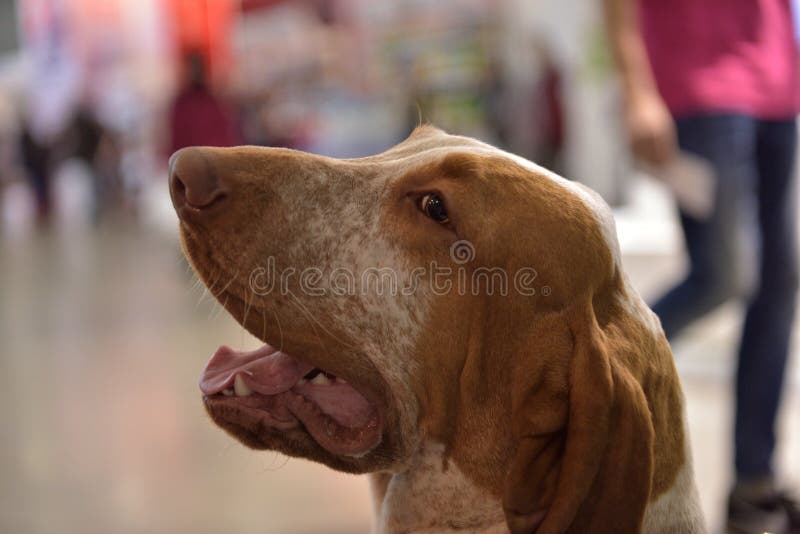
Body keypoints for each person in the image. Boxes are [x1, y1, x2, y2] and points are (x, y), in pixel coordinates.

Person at [603, 0, 800, 532]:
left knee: (778, 287)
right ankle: (592, 368)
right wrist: (636, 89)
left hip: (780, 86)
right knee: (724, 276)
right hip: (702, 89)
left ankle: (754, 489)